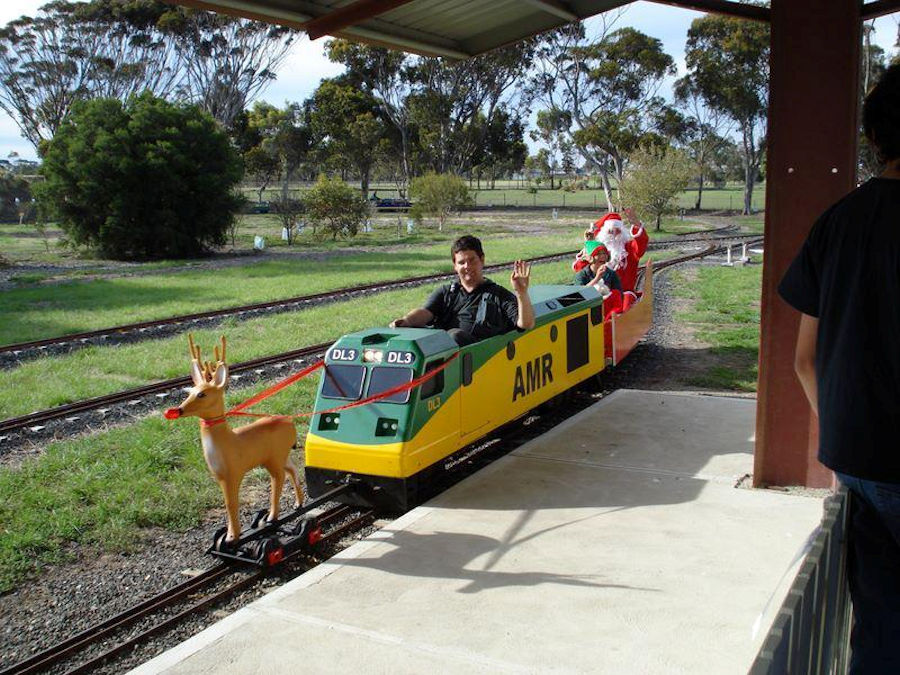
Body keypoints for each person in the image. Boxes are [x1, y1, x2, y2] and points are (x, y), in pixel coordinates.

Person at [778, 62, 900, 675]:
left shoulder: (838, 223)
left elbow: (804, 360)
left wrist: (847, 429)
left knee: (878, 625)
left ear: (875, 139)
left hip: (863, 466)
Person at [390, 235, 535, 346]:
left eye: (472, 260)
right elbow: (426, 313)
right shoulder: (446, 293)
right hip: (443, 362)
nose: (467, 266)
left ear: (482, 260)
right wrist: (407, 320)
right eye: (461, 262)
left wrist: (521, 293)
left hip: (477, 363)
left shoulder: (498, 295)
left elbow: (526, 323)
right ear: (455, 266)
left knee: (455, 335)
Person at [574, 241, 623, 318]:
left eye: (604, 253)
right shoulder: (581, 275)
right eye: (599, 254)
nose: (603, 256)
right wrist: (597, 278)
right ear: (591, 258)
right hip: (587, 311)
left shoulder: (611, 274)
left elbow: (619, 295)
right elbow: (578, 296)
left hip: (608, 313)